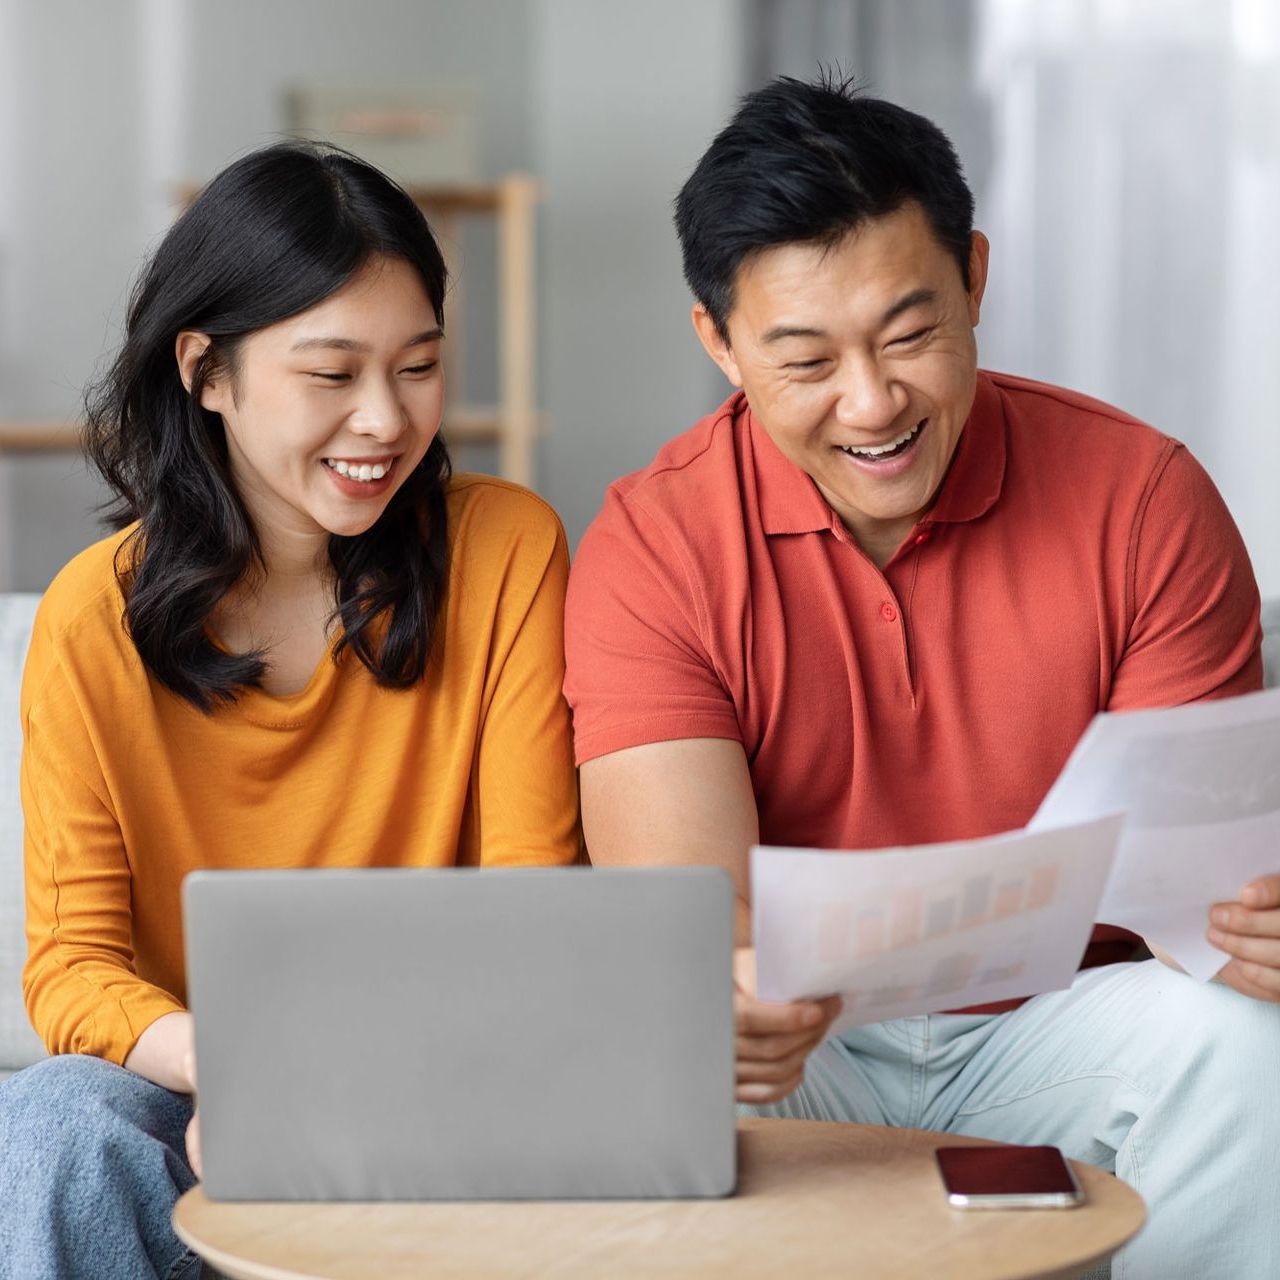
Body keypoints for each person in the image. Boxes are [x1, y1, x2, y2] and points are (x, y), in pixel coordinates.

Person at [564, 75, 1280, 1277]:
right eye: (803, 358)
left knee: (1240, 1038)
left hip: (1067, 1028)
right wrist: (725, 1002)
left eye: (908, 334)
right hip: (802, 1051)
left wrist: (1249, 931)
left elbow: (1195, 896)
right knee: (647, 1041)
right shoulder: (653, 542)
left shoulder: (1140, 495)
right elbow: (683, 916)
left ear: (975, 280)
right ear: (719, 343)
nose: (872, 402)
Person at [0, 143, 579, 1279]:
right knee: (64, 1119)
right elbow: (72, 966)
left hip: (445, 1082)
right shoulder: (91, 619)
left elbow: (532, 903)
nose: (383, 420)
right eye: (331, 374)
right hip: (202, 1089)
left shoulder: (506, 548)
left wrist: (348, 1087)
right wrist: (248, 1070)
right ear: (205, 371)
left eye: (417, 366)